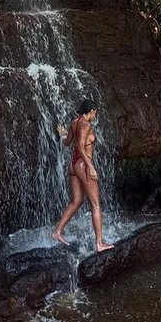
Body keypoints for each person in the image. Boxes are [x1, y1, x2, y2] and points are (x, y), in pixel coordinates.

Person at [52, 98, 114, 252]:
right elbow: (80, 146)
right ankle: (100, 243)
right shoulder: (86, 124)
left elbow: (67, 143)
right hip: (83, 165)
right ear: (91, 111)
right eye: (95, 112)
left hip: (73, 165)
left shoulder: (75, 122)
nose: (96, 115)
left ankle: (57, 232)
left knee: (77, 201)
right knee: (96, 204)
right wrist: (91, 167)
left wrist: (63, 134)